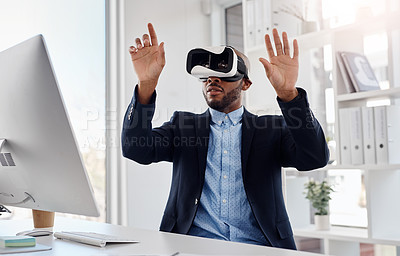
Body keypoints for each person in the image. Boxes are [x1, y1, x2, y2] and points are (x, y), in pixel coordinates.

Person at [122, 23, 329, 250]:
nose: (213, 79)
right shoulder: (183, 126)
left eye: (223, 72)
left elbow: (315, 157)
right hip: (193, 246)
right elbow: (135, 148)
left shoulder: (271, 129)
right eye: (207, 75)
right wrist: (146, 85)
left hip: (259, 247)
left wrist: (289, 94)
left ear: (246, 83)